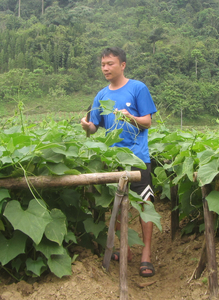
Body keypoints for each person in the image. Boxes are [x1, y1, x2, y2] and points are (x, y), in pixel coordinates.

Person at [80, 47, 158, 277]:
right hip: (112, 158)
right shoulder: (101, 95)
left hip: (137, 158)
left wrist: (130, 117)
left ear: (122, 65)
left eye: (110, 63)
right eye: (103, 64)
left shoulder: (137, 88)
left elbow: (147, 122)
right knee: (114, 203)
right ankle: (125, 250)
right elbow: (95, 127)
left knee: (145, 203)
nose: (105, 68)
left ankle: (146, 254)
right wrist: (87, 127)